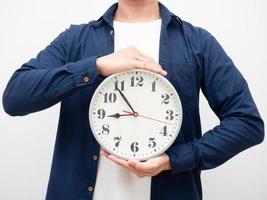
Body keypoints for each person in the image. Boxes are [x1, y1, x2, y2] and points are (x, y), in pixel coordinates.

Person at [2, 0, 264, 200]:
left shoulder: (197, 42)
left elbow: (247, 123)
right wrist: (97, 66)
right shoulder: (76, 40)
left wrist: (173, 160)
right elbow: (15, 97)